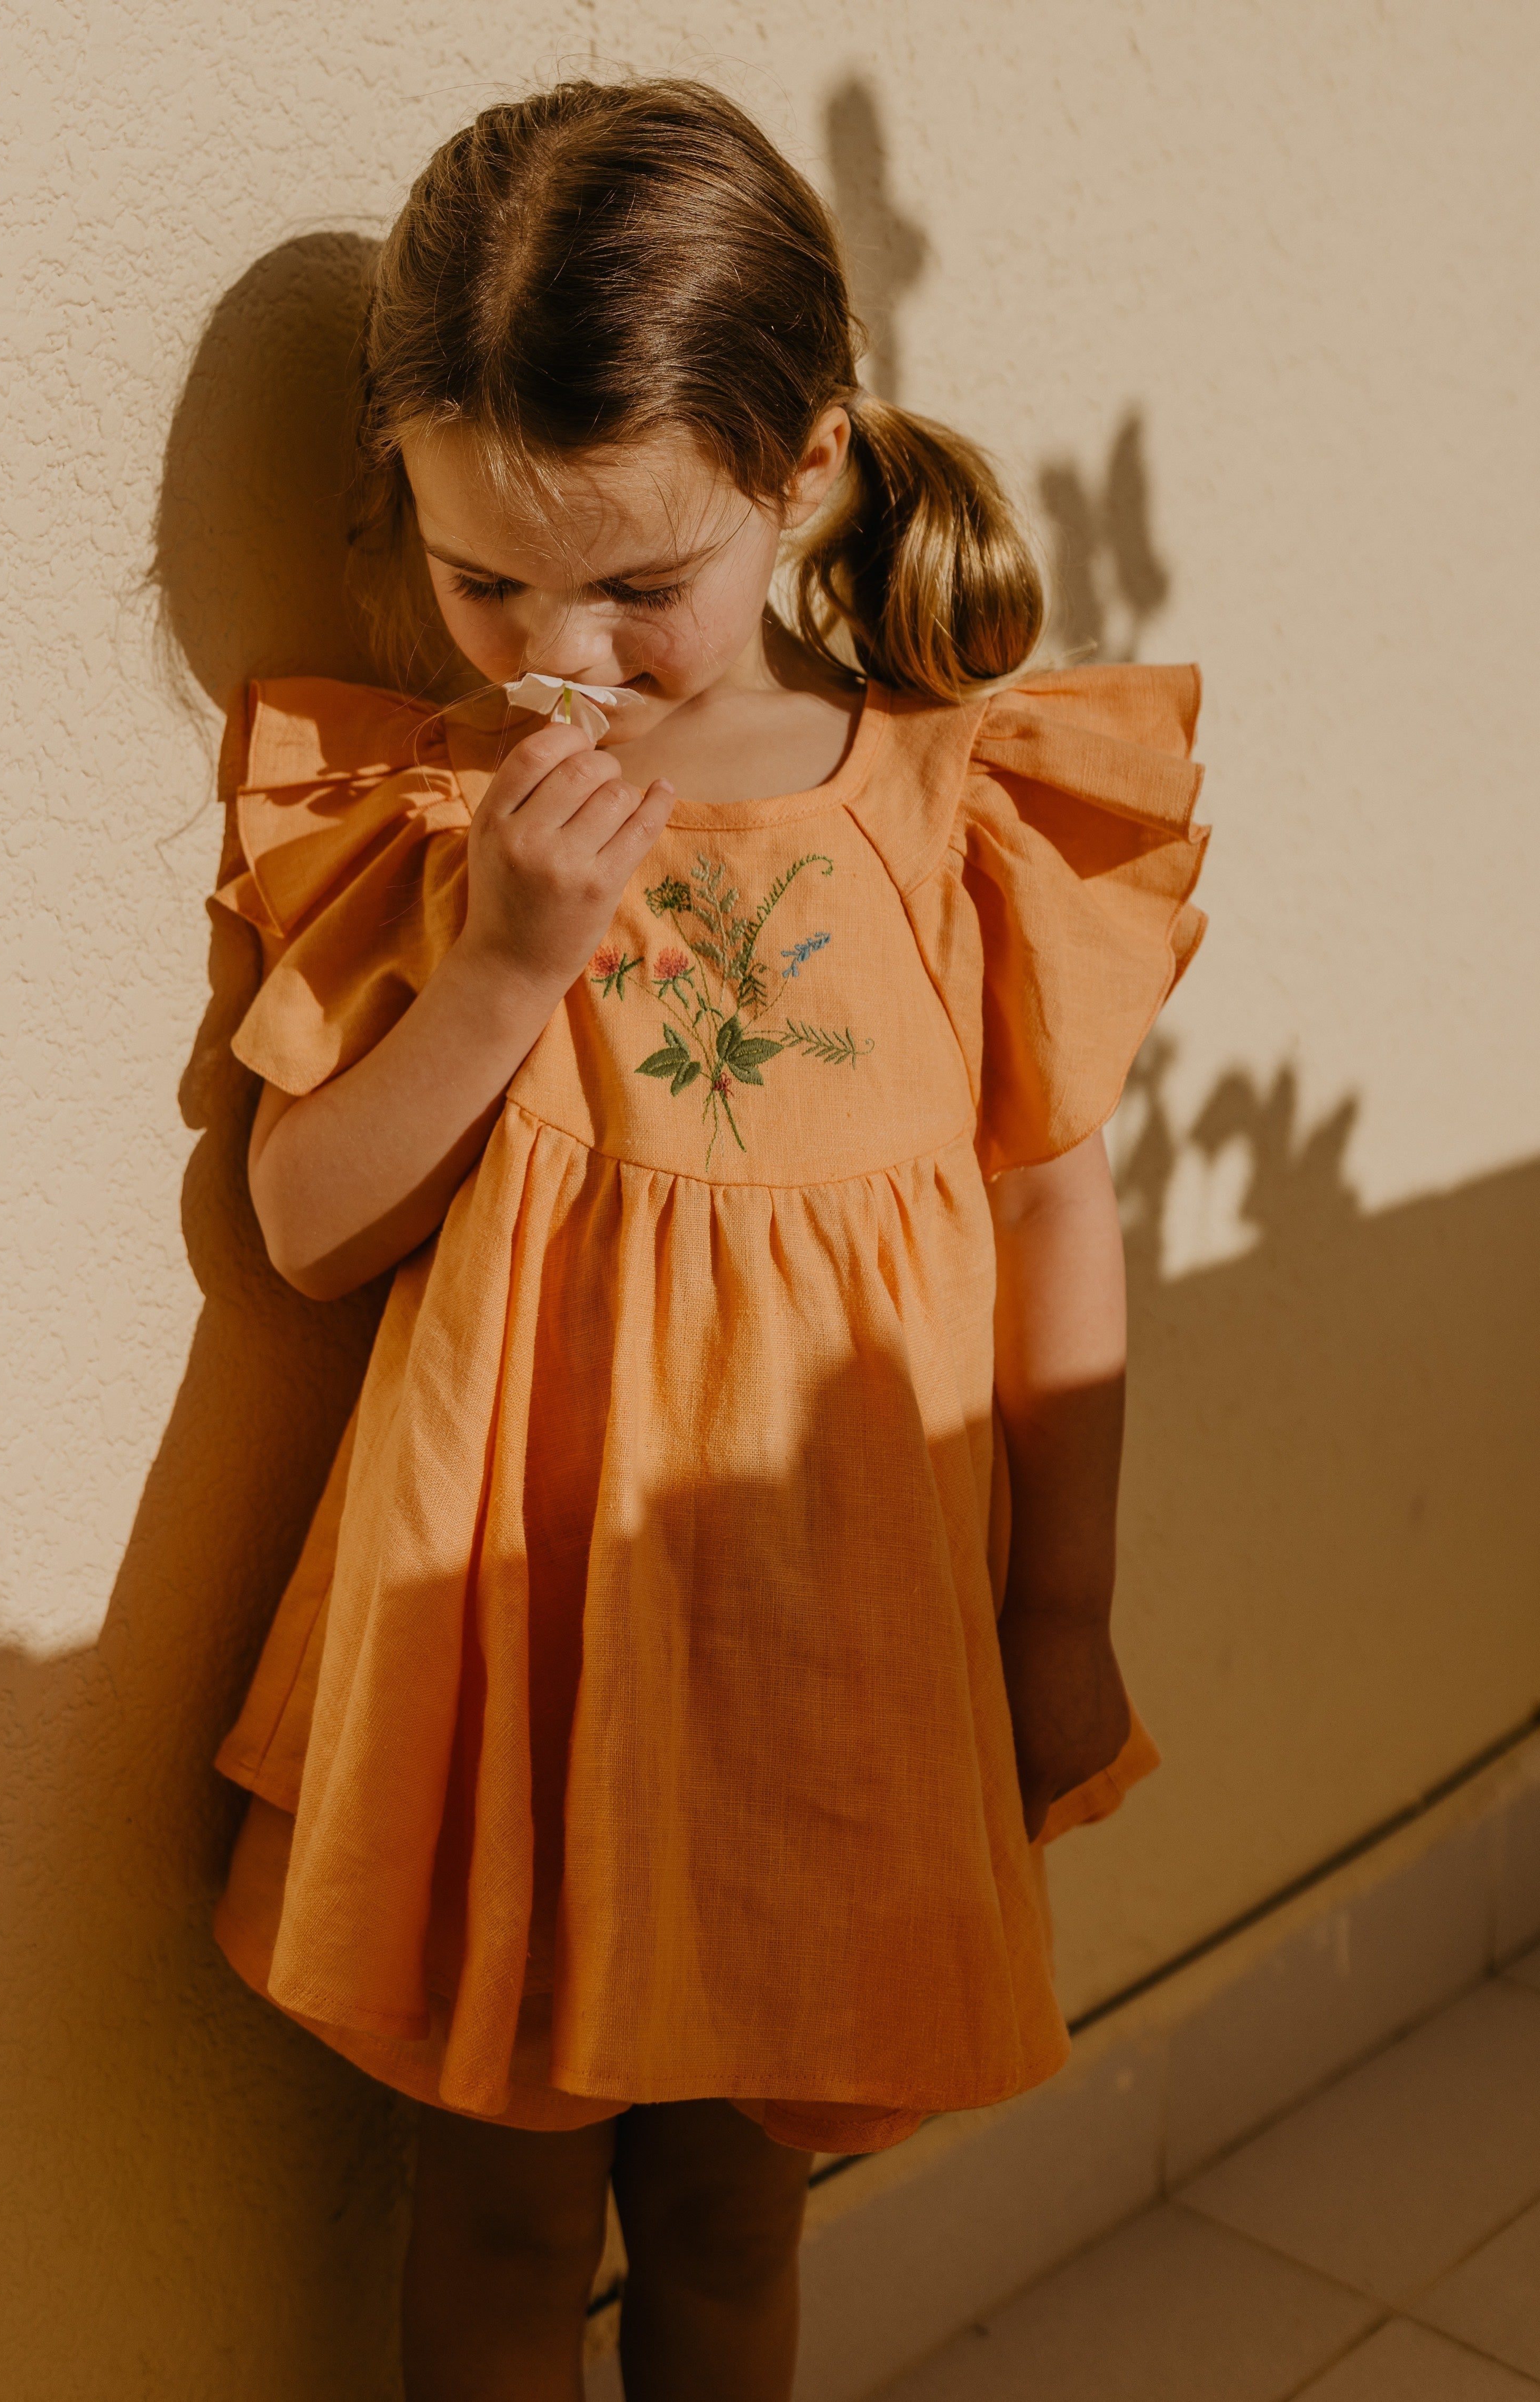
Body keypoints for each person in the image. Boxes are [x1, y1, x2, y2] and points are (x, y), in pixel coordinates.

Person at [207, 76, 1207, 2402]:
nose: (565, 650)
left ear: (810, 470)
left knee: (735, 2220)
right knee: (497, 2215)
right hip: (520, 1661)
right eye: (489, 580)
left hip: (821, 1659)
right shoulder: (442, 813)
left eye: (642, 587)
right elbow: (307, 1228)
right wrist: (501, 972)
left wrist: (1057, 1610)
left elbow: (1054, 1200)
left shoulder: (958, 807)